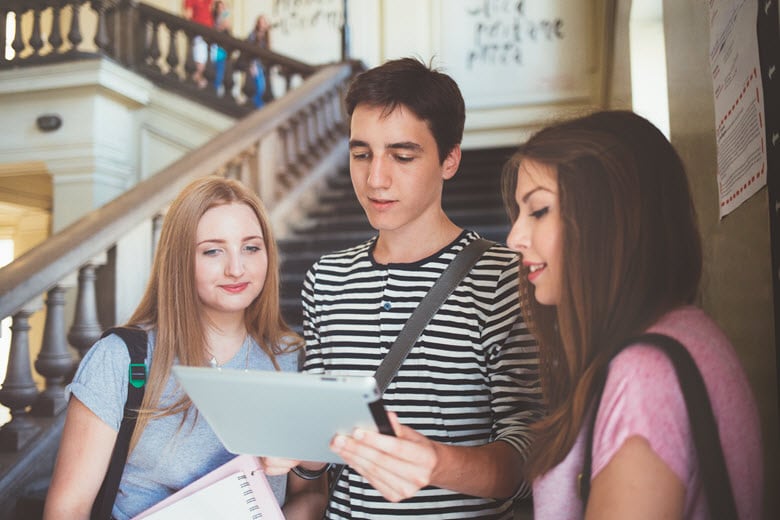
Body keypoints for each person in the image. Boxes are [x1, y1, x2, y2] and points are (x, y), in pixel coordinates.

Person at [262, 57, 544, 519]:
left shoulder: (502, 278)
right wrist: (297, 452)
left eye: (403, 155)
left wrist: (433, 463)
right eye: (361, 154)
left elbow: (526, 456)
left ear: (449, 159)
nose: (376, 178)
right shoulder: (326, 280)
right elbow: (318, 460)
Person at [501, 110, 763, 519]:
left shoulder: (643, 376)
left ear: (605, 215)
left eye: (538, 211)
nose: (514, 238)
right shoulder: (688, 331)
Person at [43, 176, 327, 520]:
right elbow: (67, 509)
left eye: (251, 247)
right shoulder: (121, 357)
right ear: (180, 260)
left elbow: (311, 495)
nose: (236, 268)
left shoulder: (291, 358)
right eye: (212, 250)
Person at [183, 0, 213, 88]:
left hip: (209, 35)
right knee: (199, 62)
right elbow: (187, 15)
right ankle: (195, 82)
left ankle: (200, 82)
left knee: (205, 62)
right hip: (199, 33)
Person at [246, 14, 271, 108]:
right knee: (258, 87)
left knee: (262, 87)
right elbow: (249, 49)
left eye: (264, 22)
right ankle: (257, 105)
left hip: (262, 66)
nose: (263, 24)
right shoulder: (253, 34)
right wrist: (251, 65)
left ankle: (258, 105)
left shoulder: (266, 36)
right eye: (261, 22)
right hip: (255, 64)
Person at [211, 0, 231, 95]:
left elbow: (227, 28)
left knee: (221, 71)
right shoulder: (215, 19)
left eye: (223, 7)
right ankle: (214, 88)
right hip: (215, 48)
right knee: (214, 69)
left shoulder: (225, 18)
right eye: (220, 7)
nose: (222, 9)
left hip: (223, 49)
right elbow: (218, 27)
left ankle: (217, 89)